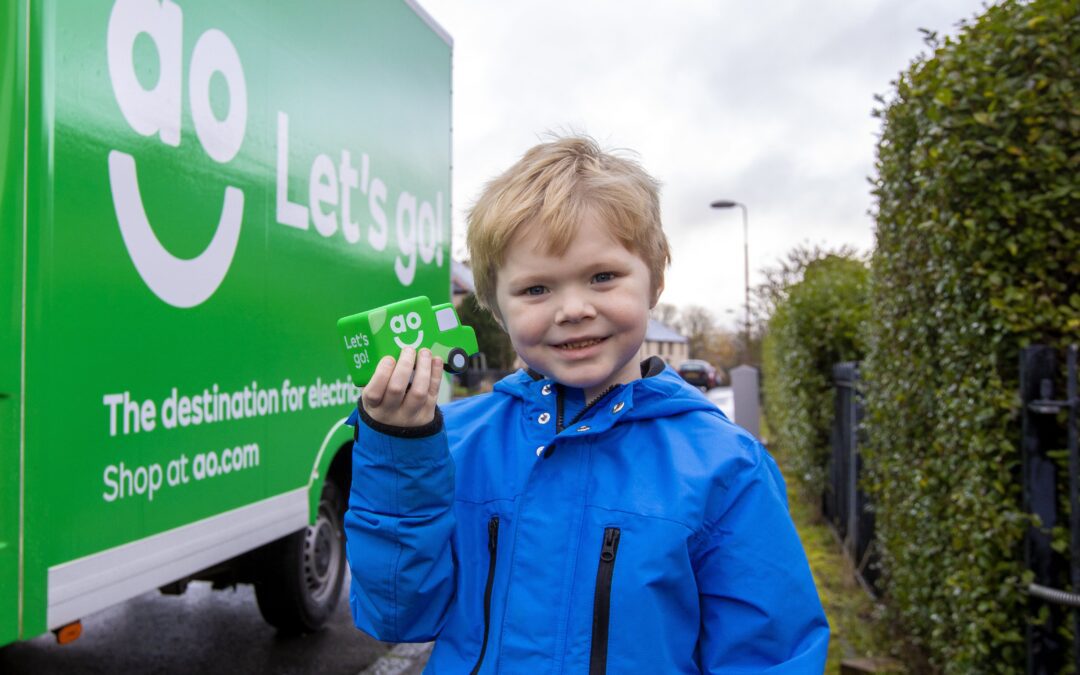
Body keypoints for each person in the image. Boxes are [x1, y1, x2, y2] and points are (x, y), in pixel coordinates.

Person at [344, 136, 829, 673]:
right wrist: (399, 453)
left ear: (655, 281)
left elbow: (768, 656)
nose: (573, 309)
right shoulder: (448, 444)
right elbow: (395, 615)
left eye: (602, 277)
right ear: (495, 307)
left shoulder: (726, 467)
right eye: (535, 290)